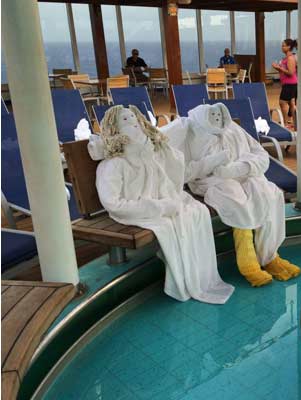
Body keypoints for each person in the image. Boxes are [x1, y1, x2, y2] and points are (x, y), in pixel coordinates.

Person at [91, 105, 234, 304]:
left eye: (133, 117)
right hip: (138, 208)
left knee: (196, 211)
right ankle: (183, 280)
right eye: (125, 120)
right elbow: (113, 202)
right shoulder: (114, 165)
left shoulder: (152, 155)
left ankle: (198, 276)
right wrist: (159, 207)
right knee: (169, 224)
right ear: (114, 129)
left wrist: (164, 148)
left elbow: (173, 175)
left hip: (162, 199)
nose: (132, 122)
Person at [167, 103, 301, 287]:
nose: (217, 119)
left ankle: (269, 256)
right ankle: (247, 262)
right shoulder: (188, 132)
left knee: (269, 193)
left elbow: (259, 154)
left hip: (242, 173)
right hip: (211, 180)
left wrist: (240, 167)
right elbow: (180, 172)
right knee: (235, 199)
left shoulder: (232, 128)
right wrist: (211, 162)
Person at [272, 39, 297, 128]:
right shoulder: (286, 58)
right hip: (288, 84)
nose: (282, 47)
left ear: (289, 47)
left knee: (282, 102)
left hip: (290, 84)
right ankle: (293, 123)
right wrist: (278, 68)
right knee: (291, 103)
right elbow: (284, 71)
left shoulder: (290, 58)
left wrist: (279, 68)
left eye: (283, 45)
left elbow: (291, 72)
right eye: (282, 45)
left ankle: (285, 123)